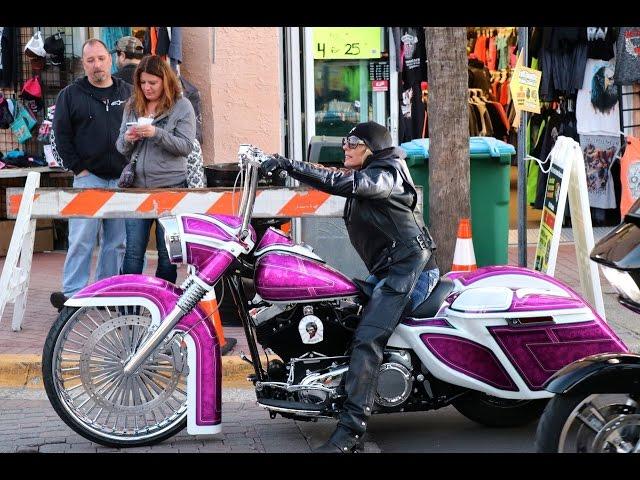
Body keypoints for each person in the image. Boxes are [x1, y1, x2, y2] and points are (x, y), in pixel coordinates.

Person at [260, 121, 439, 453]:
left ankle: (349, 434)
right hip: (390, 269)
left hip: (409, 272)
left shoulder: (388, 173)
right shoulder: (374, 171)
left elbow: (344, 182)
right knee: (341, 314)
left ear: (371, 147)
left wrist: (289, 164)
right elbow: (333, 175)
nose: (345, 146)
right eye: (345, 141)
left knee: (367, 338)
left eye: (352, 141)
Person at [50, 39, 133, 310]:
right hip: (88, 177)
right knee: (81, 238)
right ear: (83, 64)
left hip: (122, 179)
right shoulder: (70, 95)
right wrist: (79, 169)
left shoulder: (128, 93)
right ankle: (73, 296)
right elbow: (60, 137)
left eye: (100, 58)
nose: (96, 65)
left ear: (109, 59)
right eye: (90, 61)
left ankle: (105, 294)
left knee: (116, 242)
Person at [116, 55, 196, 283]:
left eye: (153, 83)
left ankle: (165, 312)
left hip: (170, 188)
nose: (147, 88)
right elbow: (120, 146)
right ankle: (128, 312)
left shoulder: (182, 106)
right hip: (137, 188)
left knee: (167, 257)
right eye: (143, 83)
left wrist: (156, 134)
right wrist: (130, 137)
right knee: (132, 254)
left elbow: (186, 146)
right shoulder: (133, 105)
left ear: (165, 81)